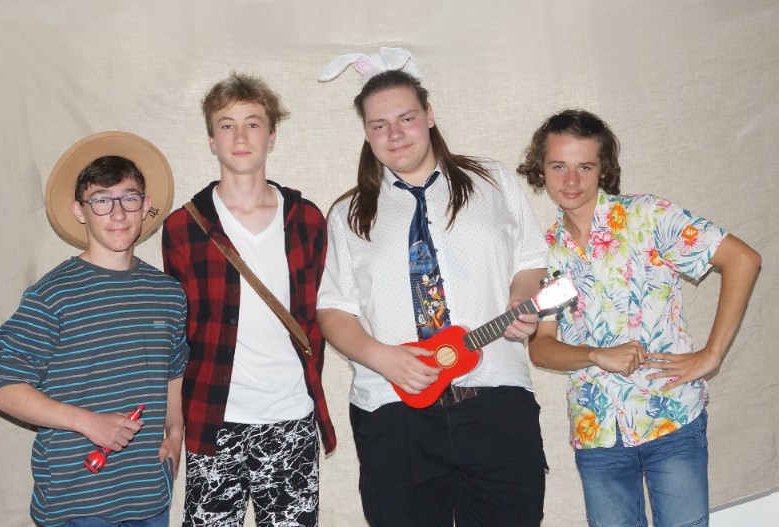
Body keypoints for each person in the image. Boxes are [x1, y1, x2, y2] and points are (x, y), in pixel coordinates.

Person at [316, 50, 549, 527]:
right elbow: (333, 309)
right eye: (379, 125)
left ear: (429, 115)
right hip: (393, 412)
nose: (395, 134)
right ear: (366, 133)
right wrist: (383, 357)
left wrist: (521, 299)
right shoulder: (347, 215)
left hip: (495, 398)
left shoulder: (492, 181)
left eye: (406, 118)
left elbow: (530, 261)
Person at [517, 109, 762, 526]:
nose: (571, 180)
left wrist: (711, 355)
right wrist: (595, 354)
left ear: (603, 169)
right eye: (558, 166)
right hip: (598, 434)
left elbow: (743, 259)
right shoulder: (549, 253)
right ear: (541, 169)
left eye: (584, 166)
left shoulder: (648, 217)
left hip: (671, 418)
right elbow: (542, 347)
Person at [161, 72, 336, 527]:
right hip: (213, 419)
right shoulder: (183, 227)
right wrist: (174, 423)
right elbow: (176, 335)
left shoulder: (307, 219)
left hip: (292, 418)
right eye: (227, 125)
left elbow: (322, 315)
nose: (240, 136)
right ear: (211, 140)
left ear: (271, 136)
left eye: (253, 123)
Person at [0, 132, 189, 527]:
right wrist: (88, 422)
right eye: (101, 200)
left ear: (145, 205)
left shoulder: (168, 293)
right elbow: (5, 389)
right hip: (76, 502)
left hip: (148, 498)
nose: (118, 214)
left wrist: (175, 434)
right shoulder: (52, 295)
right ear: (79, 211)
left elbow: (174, 371)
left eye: (129, 198)